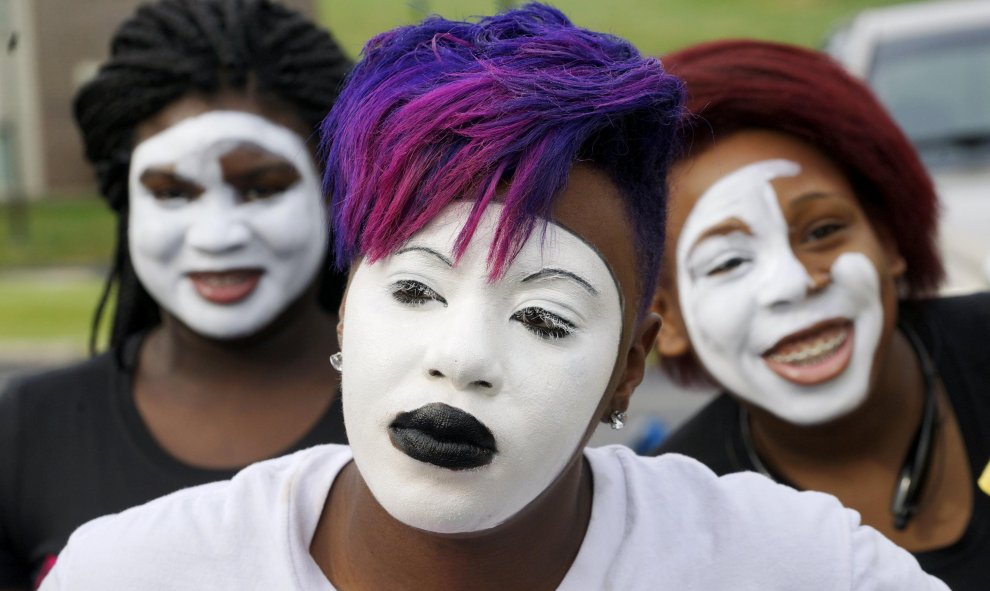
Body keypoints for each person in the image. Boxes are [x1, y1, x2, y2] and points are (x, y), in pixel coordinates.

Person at [42, 6, 948, 590]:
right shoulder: (136, 572)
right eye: (413, 288)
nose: (464, 356)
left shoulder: (791, 565)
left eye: (546, 316)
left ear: (628, 368)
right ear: (347, 309)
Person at [0, 0, 351, 588]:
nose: (217, 236)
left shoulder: (417, 426)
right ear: (125, 198)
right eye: (172, 193)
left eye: (261, 189)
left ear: (328, 189)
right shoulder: (24, 434)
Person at [650, 39, 990, 590]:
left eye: (824, 231)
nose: (792, 283)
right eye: (729, 261)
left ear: (888, 239)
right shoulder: (677, 532)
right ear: (665, 321)